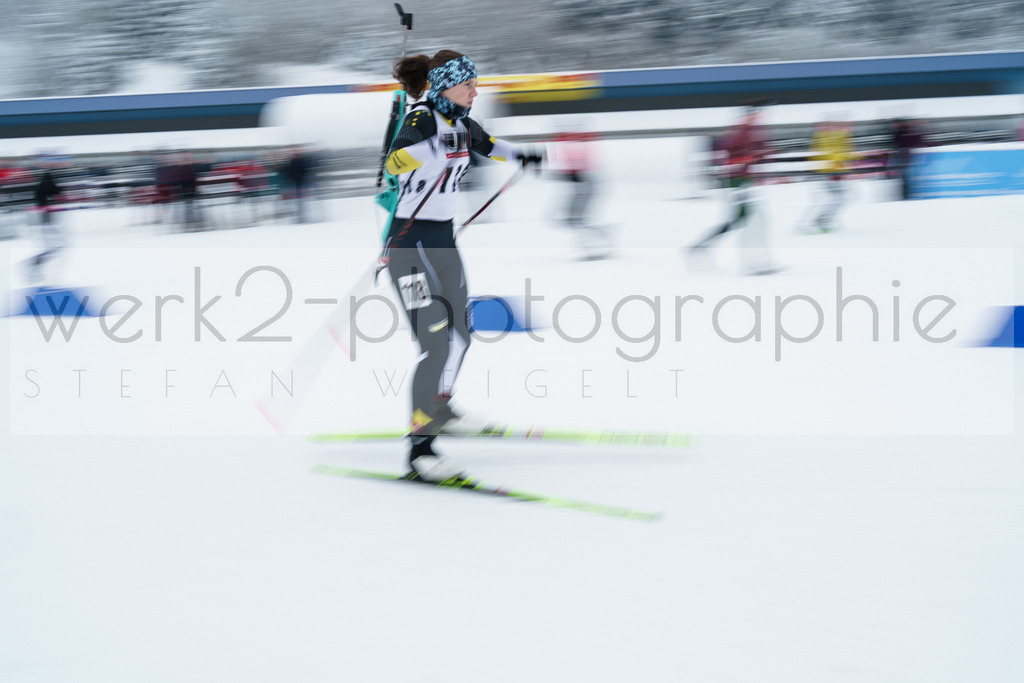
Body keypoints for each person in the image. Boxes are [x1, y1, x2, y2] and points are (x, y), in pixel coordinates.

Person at [382, 49, 540, 482]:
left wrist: (522, 155)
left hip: (442, 242)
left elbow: (488, 146)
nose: (476, 90)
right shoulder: (422, 119)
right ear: (444, 85)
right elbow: (394, 163)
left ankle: (442, 407)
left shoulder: (462, 122)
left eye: (475, 82)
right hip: (407, 246)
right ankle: (420, 450)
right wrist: (433, 147)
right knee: (434, 342)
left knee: (460, 334)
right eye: (468, 83)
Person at [688, 101, 779, 275]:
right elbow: (725, 153)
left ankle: (700, 247)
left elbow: (750, 154)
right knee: (753, 220)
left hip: (742, 181)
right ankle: (756, 263)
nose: (760, 116)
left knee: (741, 220)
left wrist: (763, 155)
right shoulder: (742, 131)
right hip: (736, 181)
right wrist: (750, 158)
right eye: (756, 113)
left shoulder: (752, 131)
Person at [807, 117, 853, 232]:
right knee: (840, 198)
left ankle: (824, 219)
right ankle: (822, 220)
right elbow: (827, 155)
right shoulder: (826, 138)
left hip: (833, 171)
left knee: (841, 198)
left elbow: (844, 154)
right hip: (830, 171)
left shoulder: (836, 137)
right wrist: (837, 162)